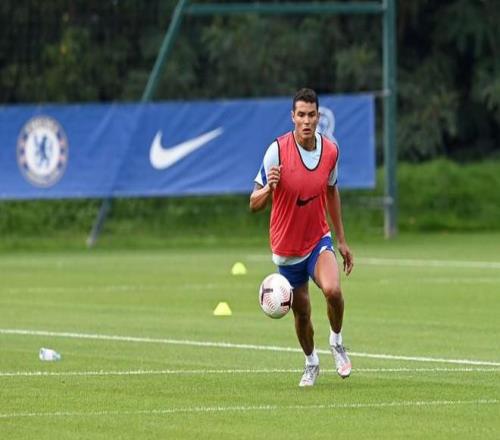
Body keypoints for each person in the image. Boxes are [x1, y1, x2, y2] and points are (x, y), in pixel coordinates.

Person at [249, 88, 354, 387]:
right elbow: (253, 203)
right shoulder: (277, 151)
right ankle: (311, 362)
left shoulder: (330, 151)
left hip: (318, 239)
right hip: (286, 250)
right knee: (303, 314)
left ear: (318, 117)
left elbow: (331, 191)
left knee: (333, 290)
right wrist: (268, 188)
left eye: (311, 115)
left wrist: (341, 239)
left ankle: (337, 342)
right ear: (292, 117)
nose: (306, 121)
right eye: (301, 115)